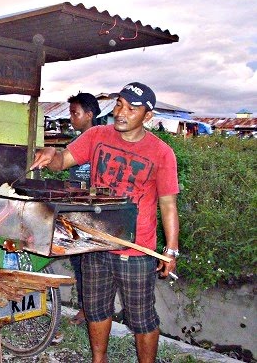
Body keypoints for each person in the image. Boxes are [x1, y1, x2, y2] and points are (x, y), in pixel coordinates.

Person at [31, 82, 179, 363]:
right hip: (95, 242)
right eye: (120, 104)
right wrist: (52, 155)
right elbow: (63, 160)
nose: (121, 112)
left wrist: (171, 249)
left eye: (131, 108)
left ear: (147, 116)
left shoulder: (161, 153)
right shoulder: (98, 135)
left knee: (141, 318)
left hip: (136, 249)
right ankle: (99, 360)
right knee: (97, 309)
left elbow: (168, 204)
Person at [66, 92, 101, 326]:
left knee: (89, 264)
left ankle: (90, 310)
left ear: (89, 115)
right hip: (79, 208)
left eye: (74, 113)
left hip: (95, 212)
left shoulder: (100, 141)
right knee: (79, 262)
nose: (71, 118)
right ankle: (86, 308)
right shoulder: (78, 141)